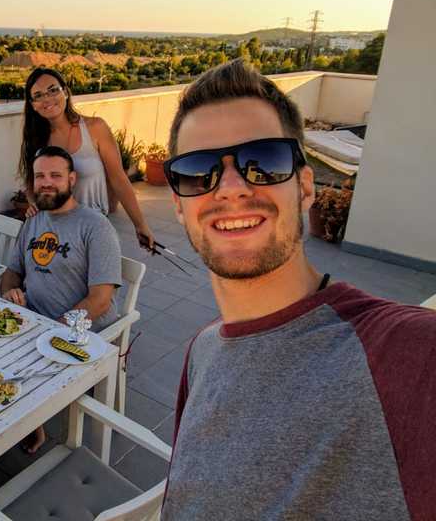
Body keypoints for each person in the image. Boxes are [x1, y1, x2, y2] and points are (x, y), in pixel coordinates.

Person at [161, 59, 436, 520]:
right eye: (197, 170)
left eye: (263, 162)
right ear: (178, 205)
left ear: (305, 187)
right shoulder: (201, 353)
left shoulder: (406, 352)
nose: (230, 188)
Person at [1, 145, 122, 452]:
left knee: (7, 361)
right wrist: (9, 292)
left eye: (55, 175)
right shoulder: (33, 221)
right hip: (34, 321)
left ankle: (28, 423)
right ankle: (26, 421)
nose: (46, 182)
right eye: (40, 175)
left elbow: (100, 300)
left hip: (79, 331)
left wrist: (52, 332)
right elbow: (12, 272)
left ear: (71, 179)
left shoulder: (95, 226)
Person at [18, 67, 155, 250]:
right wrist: (33, 203)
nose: (47, 99)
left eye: (53, 90)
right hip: (50, 228)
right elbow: (31, 181)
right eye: (38, 95)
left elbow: (119, 179)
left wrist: (140, 224)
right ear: (33, 105)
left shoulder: (95, 128)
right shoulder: (36, 139)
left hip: (93, 229)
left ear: (65, 92)